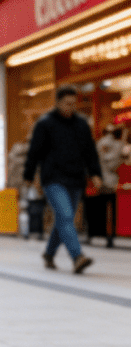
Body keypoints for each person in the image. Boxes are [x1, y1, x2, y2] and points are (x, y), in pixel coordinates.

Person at [23, 85, 102, 274]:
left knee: (63, 219)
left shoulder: (81, 125)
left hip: (75, 179)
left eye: (73, 104)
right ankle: (77, 256)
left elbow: (90, 152)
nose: (70, 107)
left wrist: (95, 174)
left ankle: (49, 254)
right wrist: (28, 176)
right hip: (53, 179)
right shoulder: (45, 124)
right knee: (66, 216)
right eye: (67, 103)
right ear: (58, 103)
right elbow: (35, 152)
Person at [88, 124, 123, 248]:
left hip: (101, 180)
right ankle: (109, 236)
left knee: (101, 208)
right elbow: (112, 164)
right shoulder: (116, 145)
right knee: (109, 209)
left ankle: (99, 234)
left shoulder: (100, 143)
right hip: (110, 181)